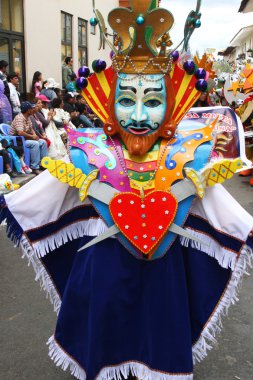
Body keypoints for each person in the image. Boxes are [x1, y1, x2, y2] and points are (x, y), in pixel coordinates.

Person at [0, 1, 253, 380]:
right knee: (104, 334)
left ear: (169, 106)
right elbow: (45, 196)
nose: (137, 116)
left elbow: (223, 212)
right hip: (103, 272)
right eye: (125, 100)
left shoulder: (189, 155)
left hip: (162, 277)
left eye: (151, 101)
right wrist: (12, 201)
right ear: (108, 103)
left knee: (158, 328)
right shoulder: (88, 152)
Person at [10, 101, 48, 175]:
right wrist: (32, 136)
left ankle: (44, 164)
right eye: (31, 108)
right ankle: (34, 167)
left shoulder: (28, 117)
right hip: (17, 141)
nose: (32, 109)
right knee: (35, 144)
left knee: (42, 142)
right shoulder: (19, 118)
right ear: (28, 110)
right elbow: (20, 132)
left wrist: (34, 135)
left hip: (25, 139)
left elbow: (31, 128)